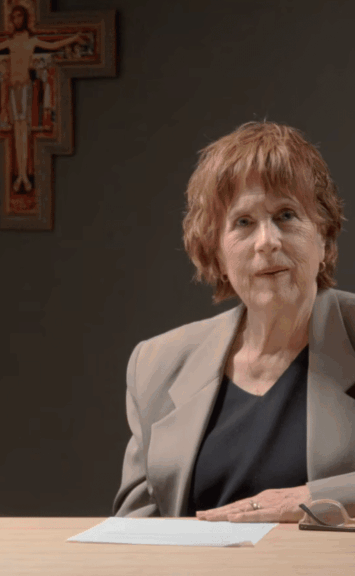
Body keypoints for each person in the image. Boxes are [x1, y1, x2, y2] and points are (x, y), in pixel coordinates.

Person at [113, 121, 355, 522]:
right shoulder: (157, 362)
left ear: (324, 238)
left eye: (286, 215)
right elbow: (135, 526)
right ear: (216, 253)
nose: (267, 241)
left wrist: (313, 498)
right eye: (243, 222)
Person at [0, 4, 85, 193]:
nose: (16, 20)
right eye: (14, 17)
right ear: (12, 20)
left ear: (25, 19)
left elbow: (53, 45)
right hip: (13, 89)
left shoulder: (32, 40)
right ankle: (20, 174)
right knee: (16, 131)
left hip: (25, 88)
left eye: (20, 16)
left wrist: (74, 38)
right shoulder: (10, 42)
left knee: (24, 131)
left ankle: (24, 175)